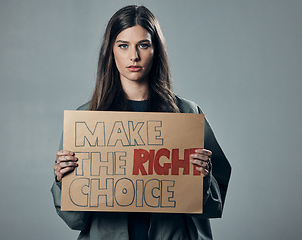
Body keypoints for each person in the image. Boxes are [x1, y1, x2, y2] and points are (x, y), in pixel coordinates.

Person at [51, 5, 231, 240]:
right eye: (123, 45)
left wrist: (203, 178)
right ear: (111, 51)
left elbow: (213, 207)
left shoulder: (187, 114)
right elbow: (75, 221)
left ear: (156, 50)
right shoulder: (86, 121)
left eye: (143, 45)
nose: (133, 56)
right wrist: (64, 182)